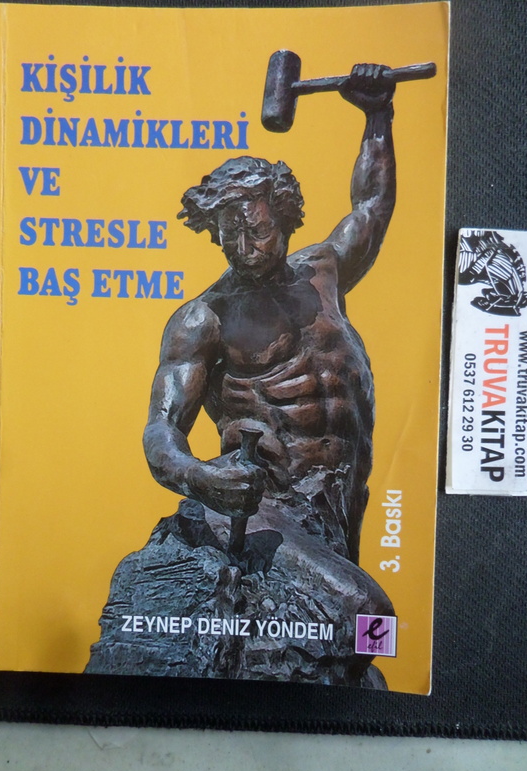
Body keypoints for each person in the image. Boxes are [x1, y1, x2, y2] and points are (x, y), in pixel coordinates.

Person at [143, 64, 396, 565]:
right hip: (267, 511)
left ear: (284, 217)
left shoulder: (324, 271)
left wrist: (377, 116)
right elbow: (162, 429)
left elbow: (371, 205)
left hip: (341, 504)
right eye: (229, 235)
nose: (244, 248)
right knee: (366, 606)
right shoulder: (205, 319)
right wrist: (201, 477)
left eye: (257, 231)